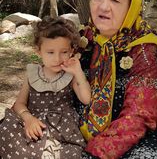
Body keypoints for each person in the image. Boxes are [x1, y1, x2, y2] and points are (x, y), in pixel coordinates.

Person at [76, 0, 157, 159]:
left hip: (138, 137)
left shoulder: (144, 49)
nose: (103, 6)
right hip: (77, 130)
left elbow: (140, 115)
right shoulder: (81, 40)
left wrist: (94, 152)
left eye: (115, 0)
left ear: (130, 6)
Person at [0, 16, 91, 159]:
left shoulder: (70, 75)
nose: (57, 58)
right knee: (6, 131)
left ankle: (50, 151)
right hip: (34, 125)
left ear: (72, 51)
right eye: (50, 52)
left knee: (73, 154)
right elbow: (19, 104)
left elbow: (86, 99)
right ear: (38, 51)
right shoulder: (32, 74)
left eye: (64, 52)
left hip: (63, 130)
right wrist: (28, 119)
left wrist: (78, 72)